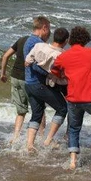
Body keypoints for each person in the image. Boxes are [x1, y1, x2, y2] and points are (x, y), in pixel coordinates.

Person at [51, 26, 91, 169]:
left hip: (73, 98)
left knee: (73, 128)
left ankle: (73, 161)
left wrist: (63, 75)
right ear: (86, 39)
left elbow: (54, 69)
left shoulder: (64, 56)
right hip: (90, 97)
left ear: (71, 40)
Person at [24, 17, 68, 152]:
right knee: (62, 108)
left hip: (29, 83)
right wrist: (51, 75)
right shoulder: (37, 43)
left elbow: (29, 61)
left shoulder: (31, 41)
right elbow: (35, 66)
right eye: (49, 28)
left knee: (37, 113)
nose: (49, 32)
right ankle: (48, 140)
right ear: (44, 28)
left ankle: (30, 145)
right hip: (37, 83)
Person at [0, 36, 45, 143]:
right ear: (44, 28)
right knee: (39, 110)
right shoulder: (39, 43)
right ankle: (42, 137)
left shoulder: (21, 40)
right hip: (29, 80)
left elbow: (5, 56)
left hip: (15, 78)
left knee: (21, 111)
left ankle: (15, 137)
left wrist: (2, 74)